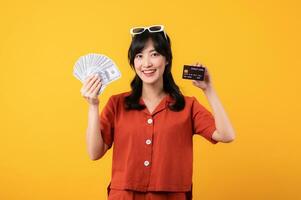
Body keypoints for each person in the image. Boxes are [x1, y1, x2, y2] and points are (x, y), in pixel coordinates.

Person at [80, 25, 236, 200]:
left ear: (167, 59)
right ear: (133, 63)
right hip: (124, 196)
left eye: (154, 54)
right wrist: (93, 106)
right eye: (139, 56)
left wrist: (209, 90)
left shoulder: (187, 105)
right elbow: (94, 153)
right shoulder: (117, 104)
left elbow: (226, 135)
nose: (146, 63)